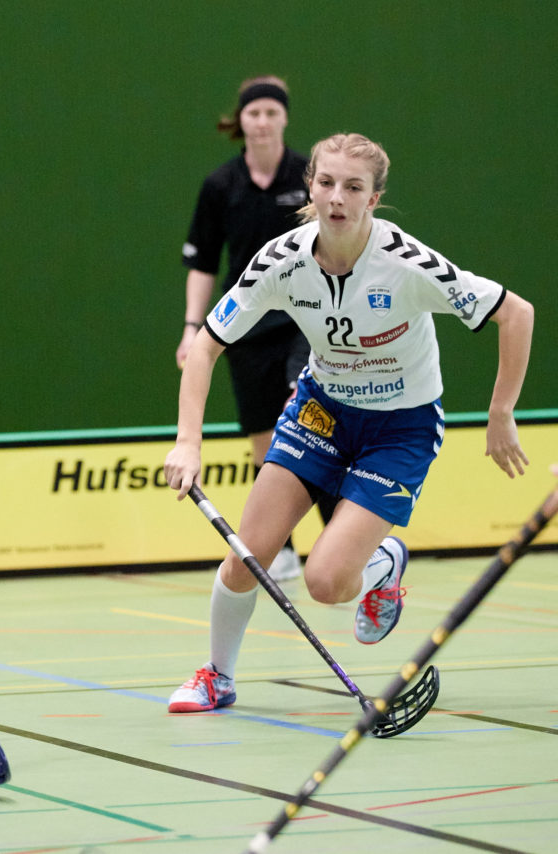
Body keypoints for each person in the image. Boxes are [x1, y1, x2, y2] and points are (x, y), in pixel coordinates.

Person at [164, 132, 533, 713]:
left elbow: (515, 313)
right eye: (327, 182)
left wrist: (501, 411)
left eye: (353, 187)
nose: (337, 197)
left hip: (400, 428)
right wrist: (189, 443)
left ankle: (385, 562)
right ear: (311, 186)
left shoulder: (407, 264)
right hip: (322, 411)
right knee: (247, 556)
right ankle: (218, 676)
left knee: (326, 583)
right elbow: (207, 345)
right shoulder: (281, 260)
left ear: (374, 199)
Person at [177, 76, 318, 582]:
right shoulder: (220, 186)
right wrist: (194, 327)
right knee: (265, 442)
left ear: (283, 118)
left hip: (304, 320)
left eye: (270, 112)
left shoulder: (310, 178)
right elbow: (203, 263)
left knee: (304, 416)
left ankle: (347, 543)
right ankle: (280, 548)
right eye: (252, 113)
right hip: (246, 326)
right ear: (241, 121)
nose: (261, 121)